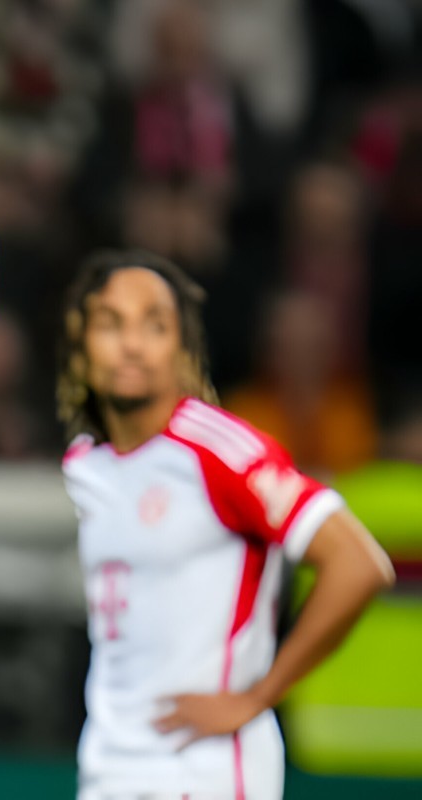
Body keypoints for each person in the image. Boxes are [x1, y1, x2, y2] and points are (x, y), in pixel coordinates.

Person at [56, 250, 394, 800]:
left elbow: (359, 564)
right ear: (80, 344)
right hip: (109, 767)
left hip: (204, 770)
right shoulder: (86, 465)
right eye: (111, 323)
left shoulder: (220, 453)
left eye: (154, 325)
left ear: (183, 347)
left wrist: (258, 697)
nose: (132, 344)